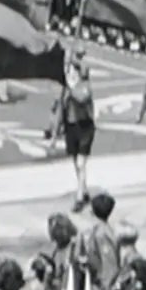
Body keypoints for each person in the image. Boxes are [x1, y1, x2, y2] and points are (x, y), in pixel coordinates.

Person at [53, 58, 96, 209]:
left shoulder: (84, 86)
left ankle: (79, 197)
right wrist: (55, 132)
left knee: (81, 162)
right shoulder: (66, 89)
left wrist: (71, 88)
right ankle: (83, 189)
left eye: (71, 70)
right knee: (76, 163)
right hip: (71, 128)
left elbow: (81, 98)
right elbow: (59, 110)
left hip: (85, 127)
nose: (69, 73)